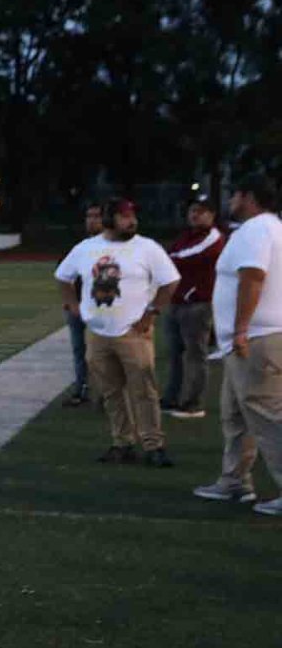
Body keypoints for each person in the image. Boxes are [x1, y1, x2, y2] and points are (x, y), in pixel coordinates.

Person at [55, 198, 181, 467]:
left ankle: (153, 445)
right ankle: (122, 442)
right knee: (111, 392)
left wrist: (152, 312)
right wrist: (73, 306)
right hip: (97, 332)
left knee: (144, 391)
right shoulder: (86, 248)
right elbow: (62, 276)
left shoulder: (147, 247)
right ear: (108, 219)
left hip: (133, 332)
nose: (131, 221)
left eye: (132, 215)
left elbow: (171, 281)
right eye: (124, 216)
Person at [193, 174, 282, 514]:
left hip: (256, 338)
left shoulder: (256, 230)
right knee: (235, 415)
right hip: (253, 338)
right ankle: (234, 480)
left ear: (248, 197)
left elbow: (252, 276)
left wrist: (241, 328)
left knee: (267, 415)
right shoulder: (272, 228)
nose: (230, 201)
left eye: (235, 195)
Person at [162, 196, 225, 418]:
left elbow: (187, 256)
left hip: (198, 303)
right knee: (175, 354)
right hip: (178, 301)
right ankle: (172, 397)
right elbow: (174, 256)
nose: (195, 215)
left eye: (201, 211)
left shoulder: (214, 237)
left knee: (196, 355)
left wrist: (167, 259)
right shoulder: (185, 236)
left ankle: (193, 403)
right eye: (192, 210)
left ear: (212, 215)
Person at [63, 203, 106, 406]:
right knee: (79, 352)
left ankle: (105, 393)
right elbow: (64, 276)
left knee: (102, 353)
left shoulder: (113, 247)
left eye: (97, 216)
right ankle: (82, 390)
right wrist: (70, 303)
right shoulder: (79, 246)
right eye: (89, 216)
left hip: (102, 308)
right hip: (78, 308)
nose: (92, 220)